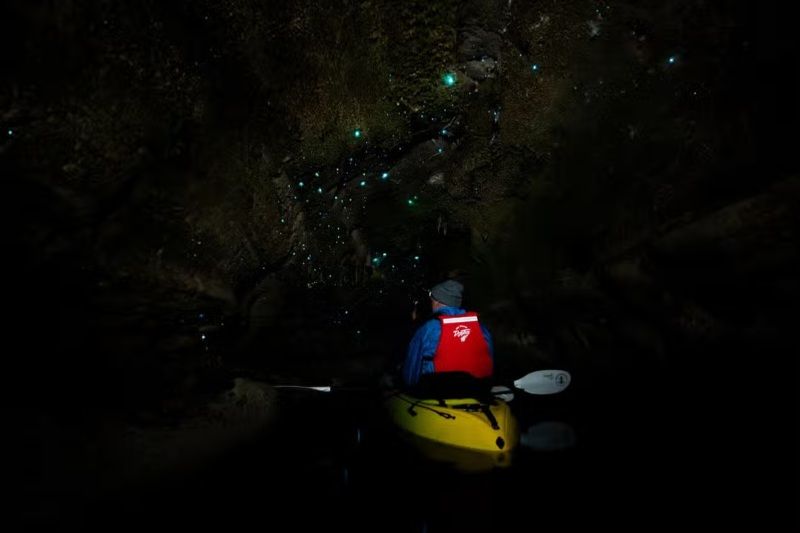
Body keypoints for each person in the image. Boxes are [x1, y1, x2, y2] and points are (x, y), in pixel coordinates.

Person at [402, 279, 494, 387]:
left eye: (432, 300)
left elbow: (411, 372)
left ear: (437, 301)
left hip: (438, 395)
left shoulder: (428, 329)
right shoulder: (481, 328)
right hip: (477, 392)